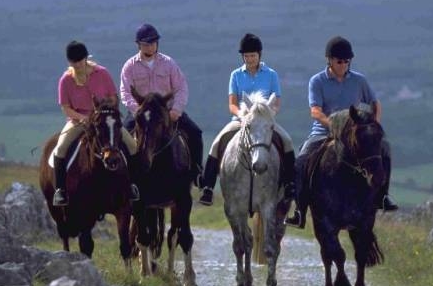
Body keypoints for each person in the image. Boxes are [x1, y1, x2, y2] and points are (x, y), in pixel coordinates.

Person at [285, 36, 398, 229]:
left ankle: (383, 195)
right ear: (329, 60)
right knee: (303, 158)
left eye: (347, 61)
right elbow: (315, 111)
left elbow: (375, 104)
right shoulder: (317, 81)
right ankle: (299, 210)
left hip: (355, 134)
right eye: (339, 61)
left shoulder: (359, 80)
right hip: (324, 132)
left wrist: (373, 126)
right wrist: (333, 125)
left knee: (384, 148)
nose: (343, 65)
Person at [197, 33, 296, 206]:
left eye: (253, 55)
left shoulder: (271, 75)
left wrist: (268, 116)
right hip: (241, 120)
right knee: (217, 143)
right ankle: (208, 188)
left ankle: (289, 184)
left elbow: (277, 103)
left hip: (265, 121)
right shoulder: (235, 75)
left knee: (287, 141)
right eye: (246, 56)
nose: (249, 59)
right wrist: (242, 116)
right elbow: (232, 104)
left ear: (259, 55)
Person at [52, 41, 140, 207]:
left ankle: (132, 185)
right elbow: (65, 108)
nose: (77, 65)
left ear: (86, 58)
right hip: (79, 120)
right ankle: (60, 190)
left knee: (132, 145)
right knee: (61, 148)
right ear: (69, 62)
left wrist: (103, 110)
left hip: (103, 119)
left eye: (80, 60)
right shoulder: (65, 80)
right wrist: (82, 118)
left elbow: (114, 98)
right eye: (74, 62)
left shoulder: (102, 73)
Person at [119, 23, 204, 182]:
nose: (150, 46)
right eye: (146, 44)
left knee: (195, 132)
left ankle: (197, 173)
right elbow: (125, 92)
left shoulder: (169, 63)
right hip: (141, 113)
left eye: (153, 43)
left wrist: (176, 110)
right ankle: (124, 180)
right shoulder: (129, 66)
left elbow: (181, 87)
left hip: (167, 111)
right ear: (139, 45)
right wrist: (138, 110)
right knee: (121, 137)